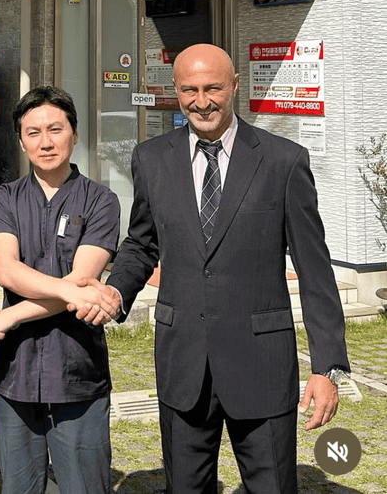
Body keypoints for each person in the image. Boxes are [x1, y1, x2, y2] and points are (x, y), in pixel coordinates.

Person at [77, 44, 349, 494]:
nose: (201, 101)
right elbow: (142, 243)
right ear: (175, 92)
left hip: (261, 368)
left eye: (212, 88)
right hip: (183, 366)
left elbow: (315, 270)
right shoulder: (151, 158)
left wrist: (328, 366)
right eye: (189, 90)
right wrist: (116, 291)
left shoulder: (284, 161)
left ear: (235, 86)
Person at [0, 86, 121, 494]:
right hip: (17, 371)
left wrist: (8, 316)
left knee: (84, 487)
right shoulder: (4, 198)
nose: (45, 142)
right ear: (20, 140)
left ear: (74, 134)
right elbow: (9, 272)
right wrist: (72, 293)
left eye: (55, 129)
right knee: (19, 488)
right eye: (33, 132)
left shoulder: (101, 200)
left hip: (77, 371)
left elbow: (82, 280)